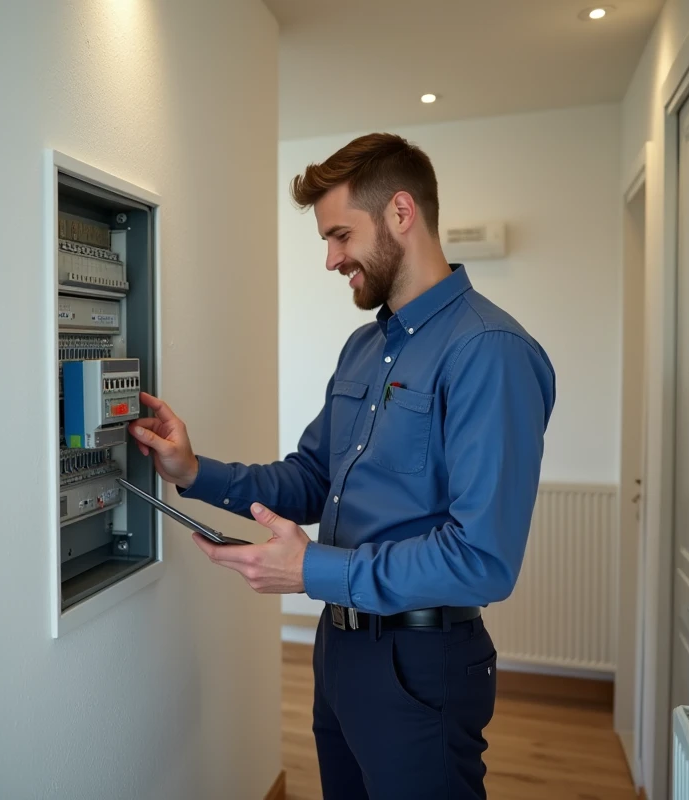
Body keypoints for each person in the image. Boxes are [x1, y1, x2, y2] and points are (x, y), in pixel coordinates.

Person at [128, 132, 556, 800]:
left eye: (339, 235)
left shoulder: (489, 352)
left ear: (400, 214)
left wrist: (311, 569)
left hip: (422, 664)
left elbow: (483, 558)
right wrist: (192, 470)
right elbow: (310, 480)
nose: (330, 259)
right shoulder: (363, 347)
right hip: (340, 651)